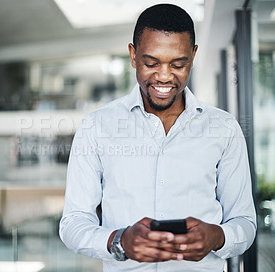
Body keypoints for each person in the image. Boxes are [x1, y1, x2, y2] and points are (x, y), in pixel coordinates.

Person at [59, 3, 256, 271]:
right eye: (150, 63)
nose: (164, 76)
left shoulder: (224, 128)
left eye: (178, 64)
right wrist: (119, 241)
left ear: (193, 55)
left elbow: (244, 222)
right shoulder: (96, 127)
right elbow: (73, 223)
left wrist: (217, 237)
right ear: (133, 54)